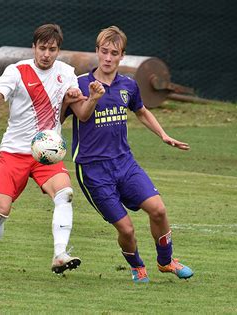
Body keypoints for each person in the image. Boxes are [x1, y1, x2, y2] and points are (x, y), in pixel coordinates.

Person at [63, 26, 193, 283]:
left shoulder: (128, 86)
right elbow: (80, 115)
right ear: (97, 52)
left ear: (122, 56)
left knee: (158, 210)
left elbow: (142, 111)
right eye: (104, 52)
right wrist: (92, 97)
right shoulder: (79, 84)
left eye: (114, 53)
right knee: (126, 228)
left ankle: (166, 261)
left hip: (124, 162)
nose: (108, 58)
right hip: (92, 169)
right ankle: (137, 266)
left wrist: (163, 135)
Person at [0, 23, 83, 280]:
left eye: (52, 49)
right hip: (13, 152)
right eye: (42, 48)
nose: (46, 54)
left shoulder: (67, 72)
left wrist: (75, 94)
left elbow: (73, 99)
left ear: (58, 50)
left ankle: (60, 254)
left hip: (47, 152)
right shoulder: (17, 70)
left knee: (65, 194)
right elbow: (0, 92)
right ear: (33, 47)